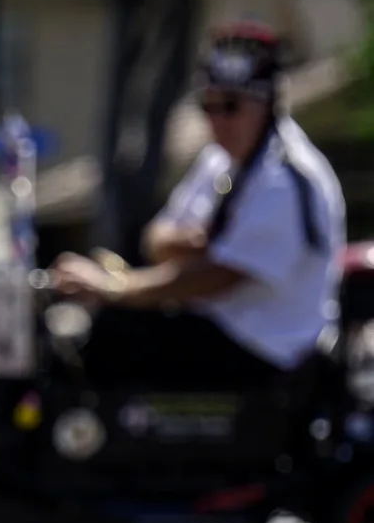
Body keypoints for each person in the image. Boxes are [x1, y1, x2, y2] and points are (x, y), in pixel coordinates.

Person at [49, 26, 342, 389]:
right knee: (93, 330)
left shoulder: (284, 175)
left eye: (231, 106)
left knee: (113, 334)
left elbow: (217, 279)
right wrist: (198, 243)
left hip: (270, 349)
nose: (217, 120)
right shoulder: (220, 160)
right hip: (223, 327)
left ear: (267, 105)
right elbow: (156, 240)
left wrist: (114, 287)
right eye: (208, 106)